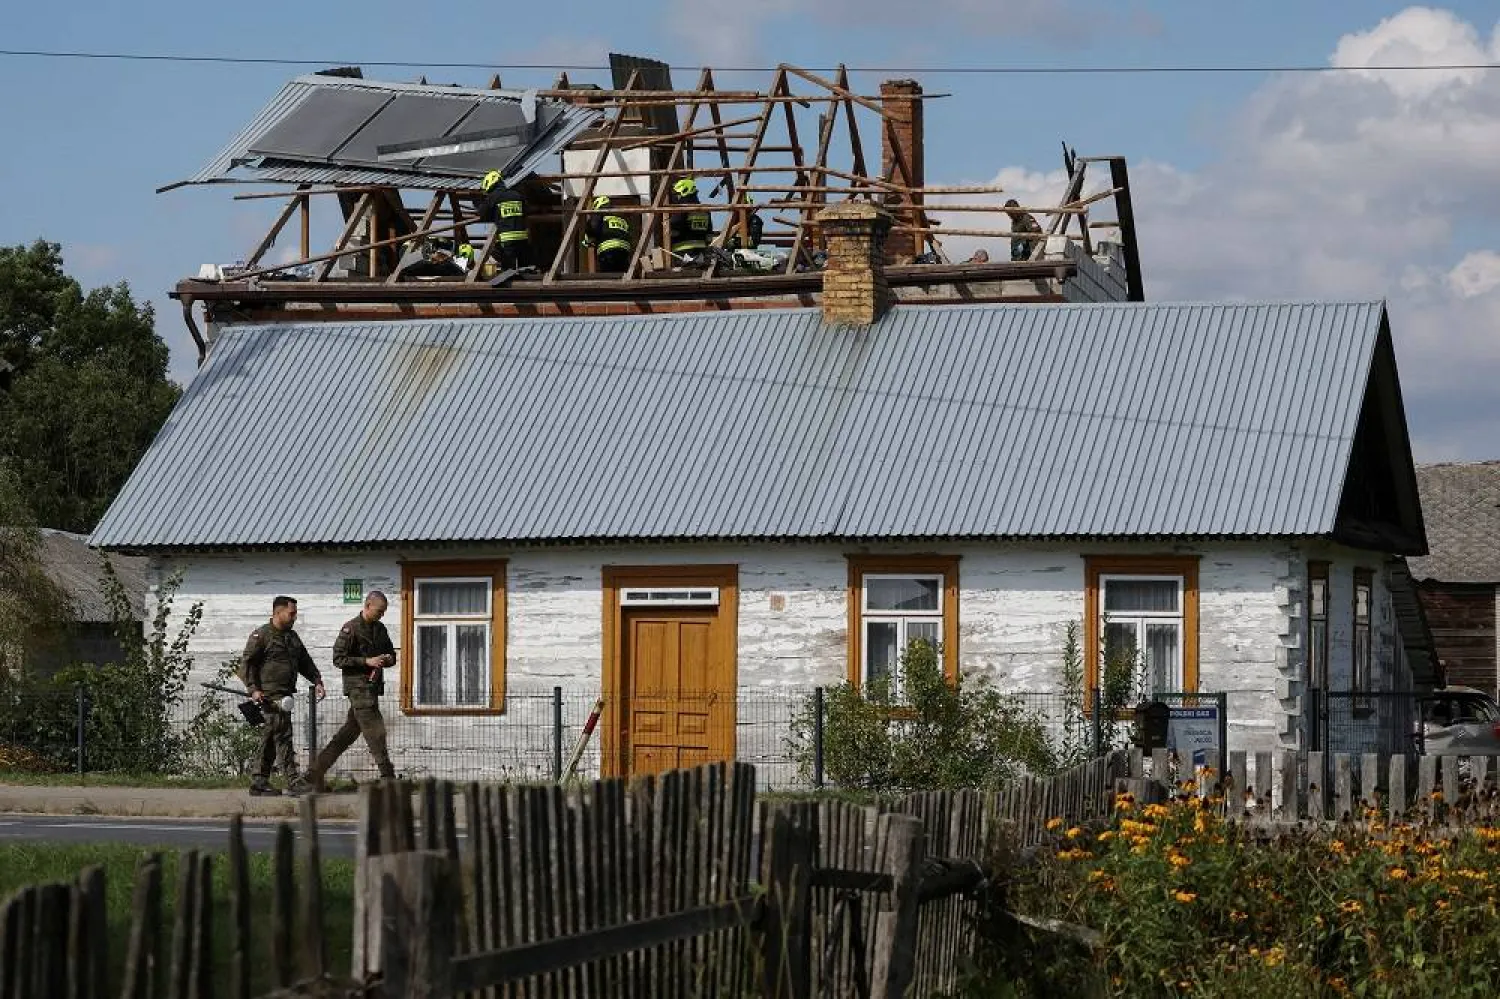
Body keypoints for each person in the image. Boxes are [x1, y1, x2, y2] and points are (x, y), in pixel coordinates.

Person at [306, 591, 398, 790]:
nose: (381, 615)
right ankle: (387, 776)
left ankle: (314, 773)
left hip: (372, 687)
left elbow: (392, 653)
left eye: (384, 612)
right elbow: (338, 659)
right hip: (358, 688)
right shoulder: (351, 628)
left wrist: (388, 659)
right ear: (367, 605)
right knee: (375, 730)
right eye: (379, 611)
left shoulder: (380, 629)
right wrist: (366, 661)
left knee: (348, 733)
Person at [239, 596, 325, 796]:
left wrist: (317, 680)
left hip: (285, 695)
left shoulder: (292, 637)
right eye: (291, 613)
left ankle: (259, 781)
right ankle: (293, 781)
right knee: (284, 736)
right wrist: (253, 689)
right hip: (269, 696)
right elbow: (247, 665)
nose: (295, 617)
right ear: (278, 613)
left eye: (295, 613)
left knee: (271, 736)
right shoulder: (261, 636)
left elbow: (305, 661)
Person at [479, 170, 533, 270]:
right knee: (526, 270)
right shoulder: (517, 195)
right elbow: (526, 212)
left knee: (508, 273)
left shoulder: (493, 197)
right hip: (522, 239)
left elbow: (482, 214)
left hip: (507, 241)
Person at [667, 177, 713, 264]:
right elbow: (709, 235)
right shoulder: (705, 210)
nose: (676, 197)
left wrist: (667, 225)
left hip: (682, 254)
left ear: (684, 192)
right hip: (701, 253)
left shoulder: (682, 209)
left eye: (677, 194)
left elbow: (674, 229)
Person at [582, 195, 633, 274]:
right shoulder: (621, 218)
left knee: (608, 277)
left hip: (608, 251)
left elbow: (593, 229)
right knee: (621, 275)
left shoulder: (599, 213)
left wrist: (588, 239)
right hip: (624, 252)